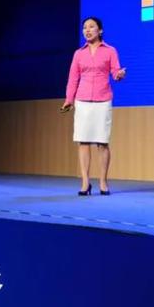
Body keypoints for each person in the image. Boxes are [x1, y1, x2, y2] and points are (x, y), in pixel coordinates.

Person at [62, 16, 126, 196]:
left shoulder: (110, 51)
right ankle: (85, 182)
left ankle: (103, 182)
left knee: (102, 142)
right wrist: (69, 99)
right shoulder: (78, 54)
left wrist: (119, 75)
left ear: (100, 30)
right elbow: (73, 78)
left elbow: (115, 71)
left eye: (91, 27)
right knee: (83, 141)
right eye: (85, 27)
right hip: (82, 100)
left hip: (103, 100)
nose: (87, 30)